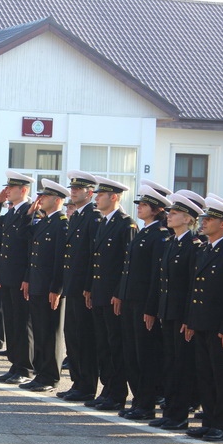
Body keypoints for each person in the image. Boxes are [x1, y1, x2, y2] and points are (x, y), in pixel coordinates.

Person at [115, 185, 170, 420]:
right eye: (139, 204)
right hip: (130, 301)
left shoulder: (160, 235)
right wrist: (121, 294)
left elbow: (156, 277)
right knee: (131, 354)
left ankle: (146, 404)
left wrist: (150, 308)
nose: (139, 208)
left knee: (145, 356)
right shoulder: (144, 232)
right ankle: (138, 400)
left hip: (143, 304)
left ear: (157, 210)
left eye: (145, 205)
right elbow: (129, 269)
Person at [151, 193, 203, 430]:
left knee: (182, 366)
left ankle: (179, 415)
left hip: (182, 315)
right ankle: (170, 411)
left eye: (174, 213)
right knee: (169, 363)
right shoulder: (172, 242)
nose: (169, 216)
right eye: (170, 213)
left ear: (188, 218)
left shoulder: (193, 245)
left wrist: (189, 317)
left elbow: (192, 286)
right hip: (168, 312)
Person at [87, 176, 137, 411]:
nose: (96, 199)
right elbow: (96, 261)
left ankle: (117, 393)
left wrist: (119, 293)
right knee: (103, 346)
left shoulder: (126, 225)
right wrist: (90, 288)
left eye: (100, 195)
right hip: (100, 293)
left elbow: (128, 264)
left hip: (113, 297)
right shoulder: (103, 222)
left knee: (115, 346)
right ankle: (107, 389)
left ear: (114, 197)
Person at [183, 196, 223, 442]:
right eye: (204, 218)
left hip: (219, 325)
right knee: (205, 374)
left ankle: (222, 423)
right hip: (202, 322)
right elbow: (194, 289)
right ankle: (209, 420)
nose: (204, 223)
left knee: (221, 376)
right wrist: (191, 320)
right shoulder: (205, 249)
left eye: (210, 219)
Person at [21, 180, 69, 393]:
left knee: (51, 333)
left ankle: (51, 376)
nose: (40, 199)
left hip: (50, 288)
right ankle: (41, 374)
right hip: (37, 285)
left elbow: (60, 260)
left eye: (45, 196)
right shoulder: (44, 221)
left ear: (57, 200)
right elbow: (25, 237)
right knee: (40, 331)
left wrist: (56, 289)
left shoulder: (61, 223)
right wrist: (29, 214)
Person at [0, 171, 36, 385]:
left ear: (23, 190)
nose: (7, 191)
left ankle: (25, 367)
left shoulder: (30, 211)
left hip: (20, 278)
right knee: (11, 323)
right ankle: (15, 364)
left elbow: (31, 250)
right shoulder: (11, 212)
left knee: (22, 323)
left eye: (11, 188)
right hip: (7, 276)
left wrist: (27, 277)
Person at [57, 171, 101, 402]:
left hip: (83, 288)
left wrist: (89, 286)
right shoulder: (76, 216)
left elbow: (93, 256)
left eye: (78, 189)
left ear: (90, 193)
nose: (73, 192)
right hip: (71, 286)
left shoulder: (94, 217)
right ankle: (77, 382)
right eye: (72, 188)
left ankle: (87, 386)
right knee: (72, 337)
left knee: (84, 338)